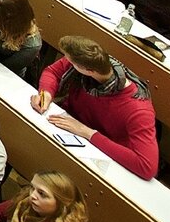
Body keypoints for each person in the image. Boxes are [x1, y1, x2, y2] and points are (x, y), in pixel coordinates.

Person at [31, 33, 158, 179]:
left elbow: (146, 166)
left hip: (100, 155)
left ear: (88, 71)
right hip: (69, 127)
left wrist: (88, 133)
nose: (67, 63)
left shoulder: (139, 110)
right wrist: (46, 93)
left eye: (72, 63)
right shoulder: (87, 67)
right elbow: (53, 72)